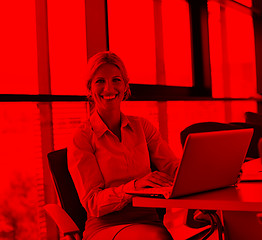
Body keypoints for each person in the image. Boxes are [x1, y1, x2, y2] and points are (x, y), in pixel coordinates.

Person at [68, 51, 179, 240]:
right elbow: (93, 204)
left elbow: (173, 167)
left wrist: (212, 174)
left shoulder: (142, 127)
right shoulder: (82, 137)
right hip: (105, 227)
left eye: (116, 80)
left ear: (126, 85)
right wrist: (134, 187)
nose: (109, 88)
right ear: (89, 88)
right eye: (100, 81)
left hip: (150, 220)